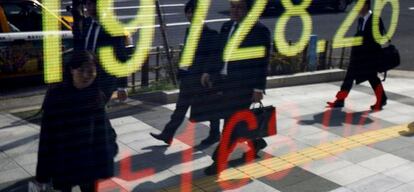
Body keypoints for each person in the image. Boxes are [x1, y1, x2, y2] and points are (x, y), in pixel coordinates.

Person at [204, 0, 271, 175]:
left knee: (230, 125)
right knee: (236, 122)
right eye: (233, 7)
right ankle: (256, 142)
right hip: (225, 83)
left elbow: (262, 62)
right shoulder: (227, 27)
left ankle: (218, 161)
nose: (235, 11)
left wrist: (258, 88)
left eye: (240, 7)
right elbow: (218, 53)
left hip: (244, 86)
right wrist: (209, 72)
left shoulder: (259, 30)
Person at [36, 51, 118, 192]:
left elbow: (104, 129)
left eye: (91, 71)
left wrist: (110, 148)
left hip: (88, 163)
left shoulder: (96, 95)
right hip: (64, 162)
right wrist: (43, 172)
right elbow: (47, 137)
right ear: (71, 70)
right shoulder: (56, 96)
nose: (86, 76)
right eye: (81, 70)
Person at [150, 0, 221, 146]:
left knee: (211, 108)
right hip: (188, 78)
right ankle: (167, 134)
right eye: (188, 12)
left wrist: (206, 73)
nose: (190, 15)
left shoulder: (211, 34)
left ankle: (215, 134)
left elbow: (213, 56)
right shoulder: (190, 30)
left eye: (193, 12)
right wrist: (181, 71)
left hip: (201, 80)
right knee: (180, 108)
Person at [327, 0, 387, 111]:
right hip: (359, 56)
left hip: (369, 57)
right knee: (349, 78)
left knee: (372, 78)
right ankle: (340, 100)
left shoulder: (375, 20)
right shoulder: (361, 20)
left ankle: (382, 99)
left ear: (366, 5)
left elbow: (378, 39)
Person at [82, 0, 131, 103]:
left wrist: (122, 87)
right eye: (88, 4)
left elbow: (121, 56)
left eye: (93, 3)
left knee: (97, 108)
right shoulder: (86, 23)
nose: (89, 7)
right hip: (86, 76)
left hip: (104, 79)